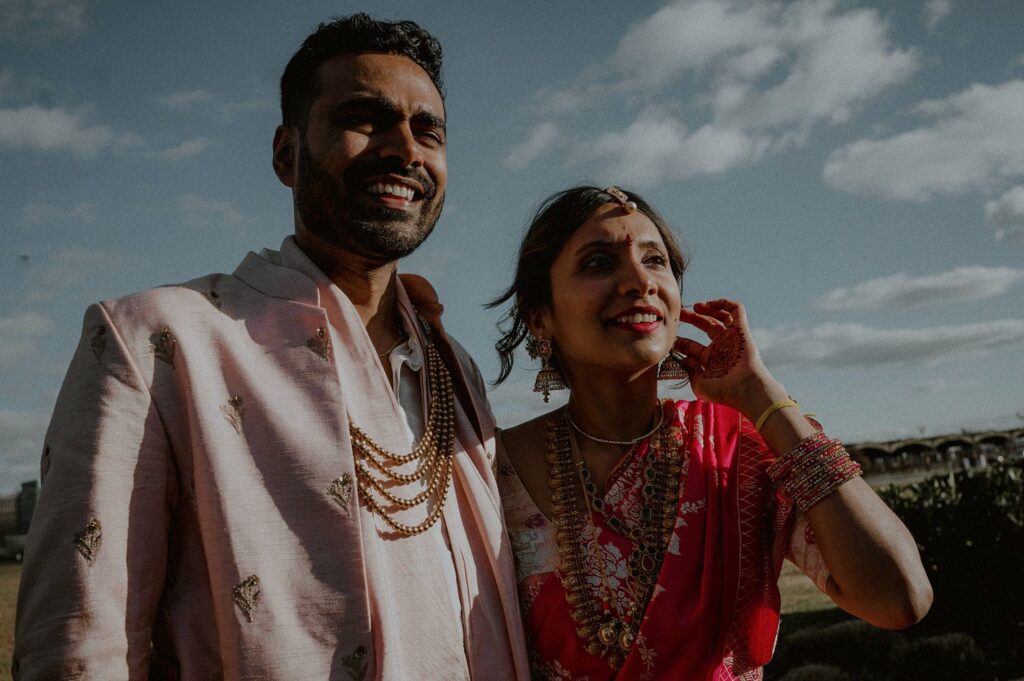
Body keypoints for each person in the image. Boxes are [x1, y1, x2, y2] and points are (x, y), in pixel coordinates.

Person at [14, 14, 529, 681]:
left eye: (427, 129)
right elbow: (77, 647)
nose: (405, 148)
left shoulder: (453, 369)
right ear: (287, 154)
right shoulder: (160, 342)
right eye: (365, 118)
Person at [490, 185, 932, 680]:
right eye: (598, 263)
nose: (641, 281)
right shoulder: (490, 470)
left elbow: (899, 598)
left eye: (655, 260)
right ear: (540, 316)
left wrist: (762, 396)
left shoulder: (740, 450)